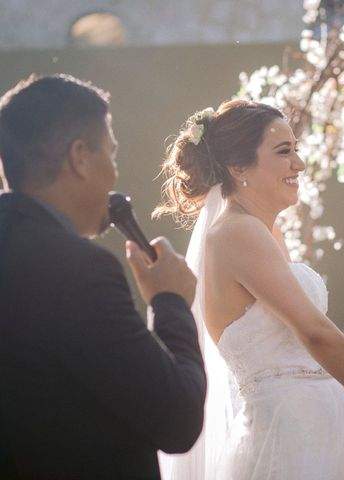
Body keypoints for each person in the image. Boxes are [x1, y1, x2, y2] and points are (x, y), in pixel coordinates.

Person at [154, 99, 344, 480]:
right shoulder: (235, 232)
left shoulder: (265, 232)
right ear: (238, 168)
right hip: (285, 437)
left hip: (318, 425)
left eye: (296, 150)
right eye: (284, 152)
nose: (299, 163)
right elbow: (314, 332)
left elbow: (306, 348)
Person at [0, 74, 206, 479]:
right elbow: (178, 419)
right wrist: (170, 302)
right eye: (111, 154)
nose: (114, 174)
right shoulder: (78, 269)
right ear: (80, 157)